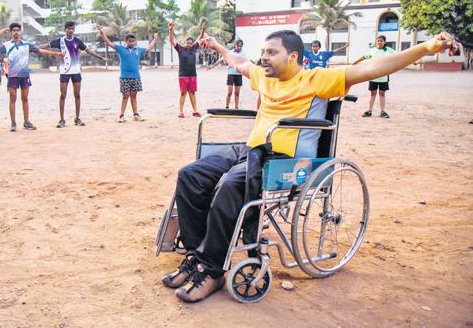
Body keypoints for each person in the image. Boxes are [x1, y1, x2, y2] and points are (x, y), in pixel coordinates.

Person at [162, 30, 460, 304]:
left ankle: (213, 271)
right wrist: (217, 46)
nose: (263, 57)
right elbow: (239, 62)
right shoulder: (263, 75)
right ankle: (196, 253)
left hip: (284, 159)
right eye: (263, 51)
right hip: (252, 149)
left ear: (293, 57)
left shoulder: (316, 79)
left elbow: (372, 68)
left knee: (230, 185)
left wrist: (426, 47)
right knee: (190, 175)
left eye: (271, 52)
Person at [0, 22, 62, 131]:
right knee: (12, 98)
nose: (16, 32)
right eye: (14, 30)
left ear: (20, 32)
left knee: (25, 98)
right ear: (11, 32)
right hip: (13, 75)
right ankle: (13, 123)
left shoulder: (26, 44)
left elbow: (40, 51)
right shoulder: (6, 45)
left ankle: (26, 122)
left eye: (17, 30)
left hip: (24, 74)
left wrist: (57, 54)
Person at [40, 21, 107, 128]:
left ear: (74, 30)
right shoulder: (60, 41)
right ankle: (62, 120)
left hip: (76, 71)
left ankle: (77, 118)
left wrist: (100, 57)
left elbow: (88, 50)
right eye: (68, 28)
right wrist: (34, 48)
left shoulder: (77, 41)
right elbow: (46, 45)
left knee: (77, 95)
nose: (70, 30)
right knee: (63, 95)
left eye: (72, 29)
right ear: (65, 29)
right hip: (64, 72)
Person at [95, 24, 159, 123]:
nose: (131, 43)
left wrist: (155, 39)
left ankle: (136, 114)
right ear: (126, 41)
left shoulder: (138, 50)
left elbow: (149, 48)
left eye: (133, 41)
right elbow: (108, 42)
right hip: (124, 77)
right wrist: (101, 32)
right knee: (125, 96)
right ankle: (121, 116)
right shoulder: (121, 49)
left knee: (134, 95)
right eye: (130, 41)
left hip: (136, 77)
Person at [169, 21, 205, 118]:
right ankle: (181, 112)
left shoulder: (194, 49)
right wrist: (171, 30)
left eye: (190, 43)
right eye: (187, 43)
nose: (189, 44)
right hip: (183, 75)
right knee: (183, 93)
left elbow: (200, 38)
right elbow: (172, 40)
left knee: (192, 92)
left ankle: (195, 110)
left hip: (192, 75)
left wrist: (203, 30)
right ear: (185, 43)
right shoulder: (180, 49)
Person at [353, 35, 396, 118]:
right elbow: (363, 57)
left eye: (381, 41)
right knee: (373, 94)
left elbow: (400, 56)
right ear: (376, 42)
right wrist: (354, 62)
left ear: (384, 42)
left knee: (382, 94)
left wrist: (412, 61)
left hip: (383, 76)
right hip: (373, 76)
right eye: (378, 41)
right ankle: (369, 111)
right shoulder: (372, 51)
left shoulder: (389, 51)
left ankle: (382, 112)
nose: (379, 42)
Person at [208, 39, 246, 109]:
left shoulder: (243, 54)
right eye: (238, 46)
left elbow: (245, 63)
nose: (239, 47)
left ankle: (236, 107)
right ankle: (227, 107)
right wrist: (212, 66)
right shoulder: (230, 52)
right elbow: (221, 59)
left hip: (238, 75)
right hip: (231, 74)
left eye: (241, 46)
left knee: (237, 93)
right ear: (235, 45)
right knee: (229, 92)